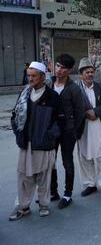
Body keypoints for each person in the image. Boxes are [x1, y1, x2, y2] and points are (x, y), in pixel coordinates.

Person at [9, 62, 60, 221]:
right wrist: (18, 133)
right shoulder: (24, 93)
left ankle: (44, 205)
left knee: (44, 177)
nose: (30, 79)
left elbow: (59, 121)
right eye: (28, 75)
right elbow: (14, 116)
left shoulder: (52, 96)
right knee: (24, 177)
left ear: (42, 77)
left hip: (43, 144)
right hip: (26, 143)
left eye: (33, 76)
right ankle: (22, 207)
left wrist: (50, 135)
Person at [75, 58, 101, 196]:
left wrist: (96, 112)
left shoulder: (100, 86)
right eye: (87, 72)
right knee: (85, 157)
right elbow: (71, 106)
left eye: (92, 72)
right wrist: (86, 113)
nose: (90, 74)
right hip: (83, 126)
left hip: (99, 124)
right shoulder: (75, 89)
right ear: (81, 74)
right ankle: (90, 184)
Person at [50, 54, 84, 209]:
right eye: (57, 65)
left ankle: (67, 194)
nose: (59, 70)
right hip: (50, 130)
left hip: (67, 130)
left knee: (67, 162)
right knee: (50, 161)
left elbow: (79, 112)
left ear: (69, 70)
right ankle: (52, 192)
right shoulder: (48, 83)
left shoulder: (74, 88)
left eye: (63, 67)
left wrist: (73, 130)